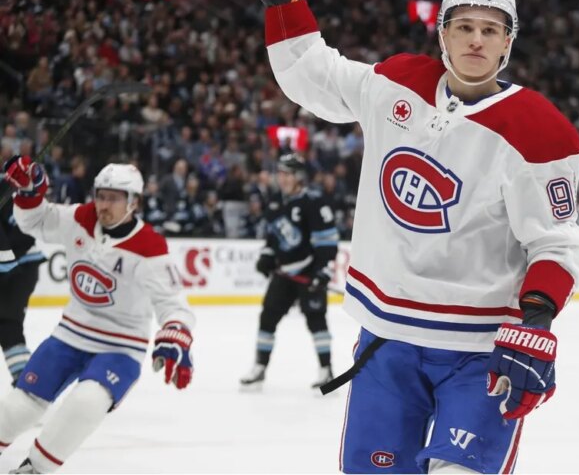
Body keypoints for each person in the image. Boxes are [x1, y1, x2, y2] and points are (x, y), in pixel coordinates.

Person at [227, 0, 579, 474]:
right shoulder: (397, 83)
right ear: (441, 32)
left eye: (490, 29)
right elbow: (313, 73)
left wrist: (536, 324)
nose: (475, 38)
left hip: (480, 350)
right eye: (463, 25)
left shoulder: (540, 130)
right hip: (387, 340)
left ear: (507, 43)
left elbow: (557, 243)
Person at [0, 158, 195, 474]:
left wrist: (176, 332)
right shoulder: (81, 217)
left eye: (114, 198)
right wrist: (30, 192)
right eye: (101, 195)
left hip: (121, 346)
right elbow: (34, 221)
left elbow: (174, 305)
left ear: (134, 203)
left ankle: (33, 469)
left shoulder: (150, 247)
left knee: (87, 403)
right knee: (20, 405)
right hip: (70, 334)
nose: (104, 205)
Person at [240, 153, 339, 390]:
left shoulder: (314, 202)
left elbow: (327, 243)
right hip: (284, 275)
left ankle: (326, 370)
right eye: (280, 173)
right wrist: (267, 257)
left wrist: (323, 271)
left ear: (299, 177)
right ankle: (260, 367)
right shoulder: (276, 202)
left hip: (308, 273)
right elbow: (272, 238)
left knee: (316, 321)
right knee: (267, 317)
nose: (282, 179)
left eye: (287, 174)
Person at [0, 164, 46, 386]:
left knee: (8, 324)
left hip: (20, 268)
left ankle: (28, 384)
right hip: (10, 266)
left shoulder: (7, 189)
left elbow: (25, 235)